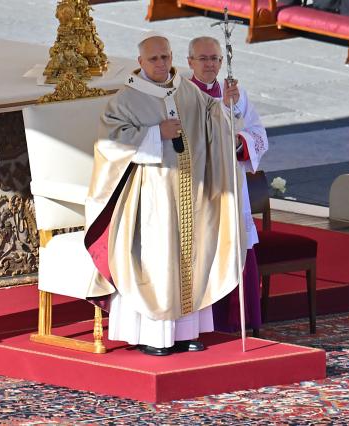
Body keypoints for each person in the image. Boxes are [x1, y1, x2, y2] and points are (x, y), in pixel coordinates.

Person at [84, 32, 246, 356]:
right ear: (140, 62)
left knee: (188, 259)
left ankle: (184, 333)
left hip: (189, 192)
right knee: (157, 262)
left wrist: (225, 106)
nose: (161, 63)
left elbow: (213, 123)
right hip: (149, 198)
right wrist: (155, 134)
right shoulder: (126, 99)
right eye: (154, 58)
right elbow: (110, 143)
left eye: (166, 57)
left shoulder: (187, 91)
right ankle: (153, 336)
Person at [186, 36, 269, 335]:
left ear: (222, 63)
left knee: (237, 248)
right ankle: (204, 325)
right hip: (199, 190)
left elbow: (259, 134)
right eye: (203, 58)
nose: (209, 64)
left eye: (214, 59)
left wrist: (239, 140)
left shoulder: (238, 95)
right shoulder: (182, 96)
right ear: (190, 62)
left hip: (233, 190)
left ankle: (240, 322)